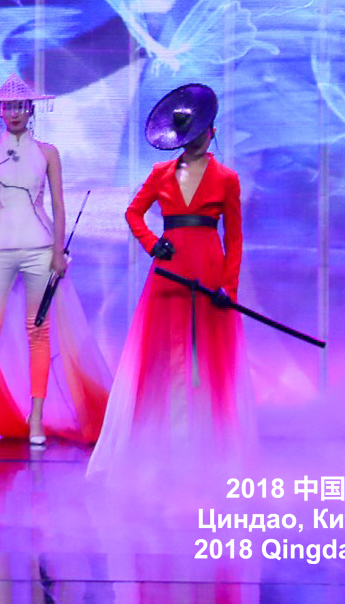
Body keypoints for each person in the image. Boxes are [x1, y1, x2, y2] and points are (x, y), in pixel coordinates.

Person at [88, 82, 251, 478]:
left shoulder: (226, 178)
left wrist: (229, 287)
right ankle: (163, 444)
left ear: (211, 130)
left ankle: (208, 447)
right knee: (164, 354)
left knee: (209, 357)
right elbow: (133, 212)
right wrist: (151, 243)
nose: (195, 137)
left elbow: (234, 238)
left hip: (209, 273)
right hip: (169, 272)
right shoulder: (160, 173)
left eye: (201, 129)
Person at [0, 77, 108, 447]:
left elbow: (59, 205)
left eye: (21, 106)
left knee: (38, 331)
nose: (15, 113)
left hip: (39, 247)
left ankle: (36, 417)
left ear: (31, 110)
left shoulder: (48, 152)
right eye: (8, 106)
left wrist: (57, 252)